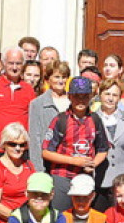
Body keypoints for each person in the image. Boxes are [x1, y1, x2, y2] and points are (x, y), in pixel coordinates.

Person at [42, 77, 109, 210]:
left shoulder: (95, 120)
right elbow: (46, 152)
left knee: (82, 216)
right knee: (60, 216)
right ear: (69, 96)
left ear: (91, 97)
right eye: (77, 96)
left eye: (85, 96)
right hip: (62, 177)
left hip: (85, 176)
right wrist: (74, 161)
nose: (81, 100)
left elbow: (103, 149)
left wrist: (93, 164)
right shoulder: (60, 120)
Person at [0, 123, 37, 223]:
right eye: (12, 144)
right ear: (4, 144)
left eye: (22, 144)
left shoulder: (28, 165)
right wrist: (19, 218)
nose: (18, 148)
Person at [0, 46, 36, 151]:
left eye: (18, 63)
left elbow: (32, 118)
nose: (14, 67)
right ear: (4, 64)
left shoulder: (28, 89)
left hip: (20, 147)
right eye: (11, 63)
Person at [94, 78, 124, 210]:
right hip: (99, 180)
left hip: (123, 180)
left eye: (114, 95)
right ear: (100, 95)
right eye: (107, 94)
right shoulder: (92, 118)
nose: (110, 98)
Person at [27, 59, 71, 169]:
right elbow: (34, 138)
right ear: (48, 79)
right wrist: (37, 168)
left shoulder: (73, 101)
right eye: (57, 77)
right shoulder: (37, 103)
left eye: (64, 77)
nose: (61, 81)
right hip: (46, 162)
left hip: (70, 160)